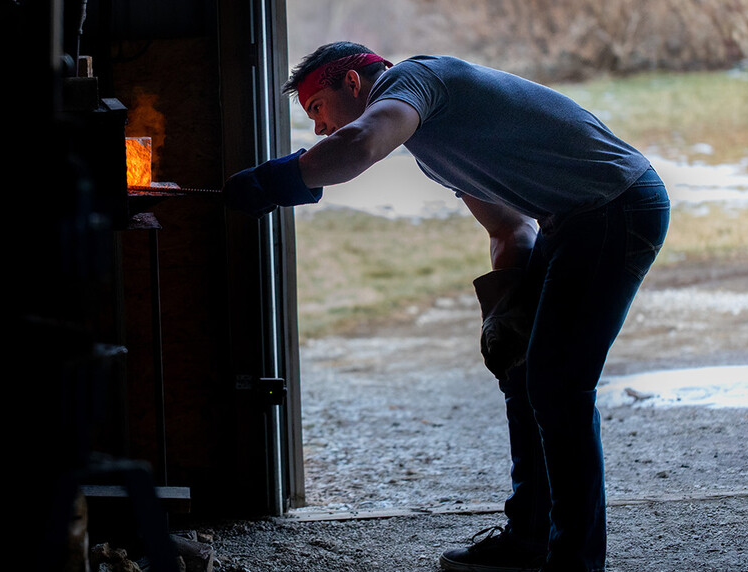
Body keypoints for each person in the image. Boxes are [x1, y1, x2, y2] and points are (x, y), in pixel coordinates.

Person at [223, 41, 670, 572]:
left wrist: (273, 181)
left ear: (351, 83)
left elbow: (359, 145)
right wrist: (508, 311)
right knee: (528, 375)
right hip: (574, 219)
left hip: (616, 206)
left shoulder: (414, 80)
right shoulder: (435, 139)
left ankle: (575, 561)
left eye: (316, 108)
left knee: (557, 387)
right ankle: (528, 539)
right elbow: (509, 226)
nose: (319, 129)